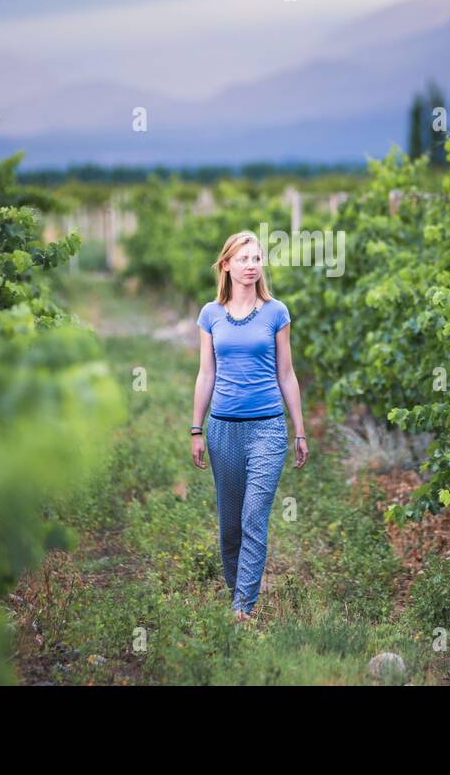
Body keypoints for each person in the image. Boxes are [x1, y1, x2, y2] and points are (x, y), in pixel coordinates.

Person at [191, 229, 309, 623]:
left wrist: (299, 430)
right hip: (223, 430)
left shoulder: (277, 312)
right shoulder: (210, 314)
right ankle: (236, 590)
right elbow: (205, 374)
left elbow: (287, 374)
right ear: (226, 264)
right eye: (243, 259)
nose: (251, 266)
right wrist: (196, 430)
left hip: (268, 429)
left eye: (256, 259)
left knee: (254, 516)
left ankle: (243, 609)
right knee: (230, 528)